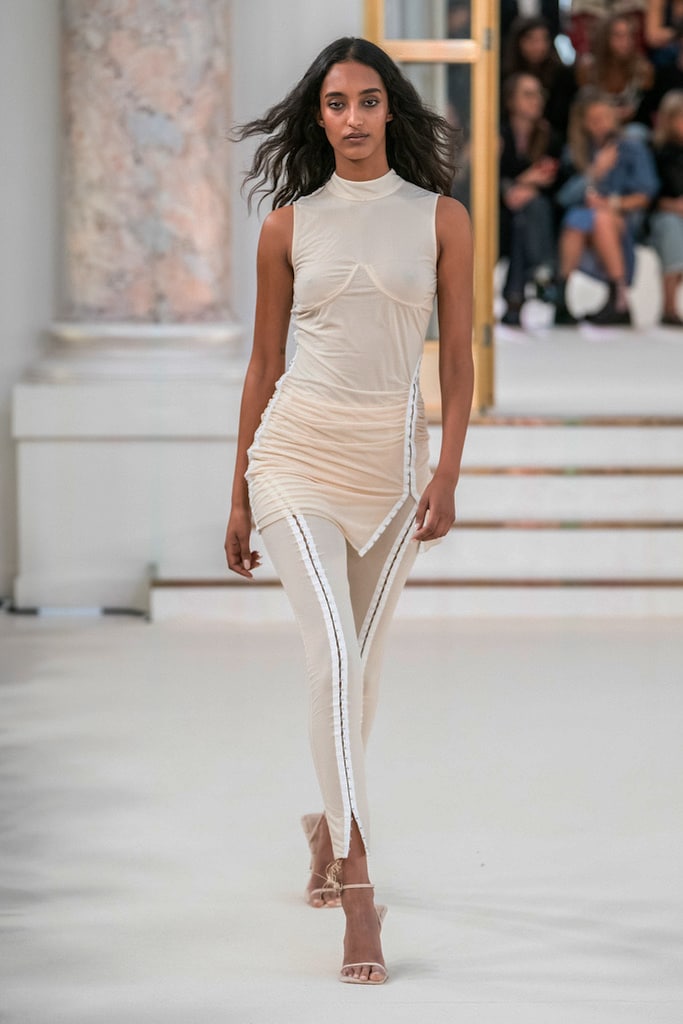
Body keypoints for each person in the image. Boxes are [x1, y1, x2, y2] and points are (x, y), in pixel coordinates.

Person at [224, 37, 474, 985]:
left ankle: (324, 826)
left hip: (391, 469)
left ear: (389, 110)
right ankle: (359, 888)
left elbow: (457, 359)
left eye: (369, 101)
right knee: (332, 653)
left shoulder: (440, 218)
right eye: (337, 103)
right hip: (294, 458)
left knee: (357, 673)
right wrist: (237, 491)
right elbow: (263, 365)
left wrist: (446, 471)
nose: (354, 117)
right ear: (318, 117)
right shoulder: (288, 227)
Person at [554, 87, 659, 324]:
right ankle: (561, 295)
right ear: (584, 123)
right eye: (594, 120)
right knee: (576, 219)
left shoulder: (632, 148)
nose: (601, 125)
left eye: (605, 118)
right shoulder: (576, 152)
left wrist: (610, 203)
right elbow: (564, 198)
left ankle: (619, 297)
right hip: (584, 220)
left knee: (600, 217)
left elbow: (645, 195)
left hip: (624, 220)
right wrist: (595, 171)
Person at [499, 72, 562, 324]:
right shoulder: (498, 134)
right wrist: (523, 183)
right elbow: (487, 180)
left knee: (525, 217)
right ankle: (543, 273)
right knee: (522, 218)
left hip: (535, 212)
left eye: (538, 94)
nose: (536, 100)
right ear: (511, 101)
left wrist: (524, 188)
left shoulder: (549, 137)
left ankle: (514, 297)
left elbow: (554, 183)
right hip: (498, 212)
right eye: (528, 94)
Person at [576, 12, 654, 137]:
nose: (625, 42)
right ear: (604, 38)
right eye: (618, 36)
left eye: (629, 36)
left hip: (631, 128)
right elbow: (583, 107)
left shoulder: (643, 69)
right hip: (595, 128)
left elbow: (646, 113)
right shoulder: (588, 69)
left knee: (636, 133)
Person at [501, 15, 577, 136]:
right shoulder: (504, 74)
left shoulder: (563, 76)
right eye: (532, 40)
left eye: (543, 39)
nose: (539, 46)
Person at [649, 89, 683, 323]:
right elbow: (648, 195)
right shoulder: (656, 152)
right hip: (661, 215)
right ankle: (668, 308)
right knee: (672, 228)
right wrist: (672, 205)